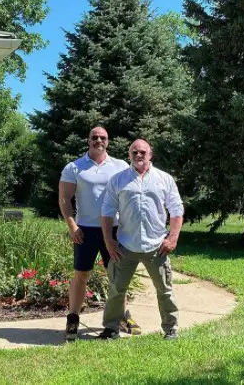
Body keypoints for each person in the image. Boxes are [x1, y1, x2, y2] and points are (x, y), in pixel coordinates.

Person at [59, 126, 141, 341]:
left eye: (102, 137)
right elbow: (65, 199)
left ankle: (122, 316)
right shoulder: (74, 167)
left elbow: (131, 194)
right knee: (81, 274)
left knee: (117, 276)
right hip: (84, 231)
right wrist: (72, 226)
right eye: (94, 137)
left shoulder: (121, 166)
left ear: (108, 141)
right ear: (88, 140)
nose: (98, 140)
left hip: (114, 230)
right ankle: (73, 318)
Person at [99, 139, 184, 340]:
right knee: (117, 290)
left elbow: (176, 210)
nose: (139, 155)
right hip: (125, 246)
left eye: (142, 152)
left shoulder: (164, 179)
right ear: (129, 155)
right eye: (134, 152)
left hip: (156, 247)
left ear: (150, 154)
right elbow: (107, 211)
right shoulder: (118, 180)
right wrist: (109, 241)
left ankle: (171, 328)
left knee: (164, 290)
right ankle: (111, 328)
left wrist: (172, 238)